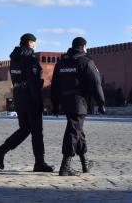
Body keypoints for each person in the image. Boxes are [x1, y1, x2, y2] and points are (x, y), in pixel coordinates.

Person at [0, 33, 54, 172]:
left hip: (19, 96)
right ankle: (39, 162)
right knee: (37, 131)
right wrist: (38, 100)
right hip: (31, 98)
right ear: (30, 43)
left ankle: (1, 151)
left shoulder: (14, 58)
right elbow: (34, 82)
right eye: (34, 43)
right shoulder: (29, 59)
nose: (35, 45)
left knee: (25, 129)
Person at [51, 37, 105, 176]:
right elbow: (96, 84)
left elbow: (54, 85)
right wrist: (101, 103)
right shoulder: (86, 62)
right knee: (73, 131)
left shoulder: (61, 63)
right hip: (80, 102)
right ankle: (65, 166)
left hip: (66, 102)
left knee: (77, 130)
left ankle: (85, 163)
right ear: (83, 47)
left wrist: (55, 104)